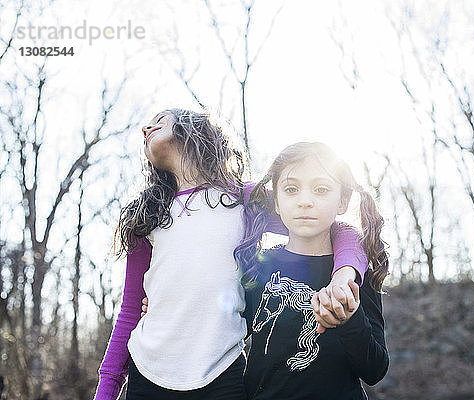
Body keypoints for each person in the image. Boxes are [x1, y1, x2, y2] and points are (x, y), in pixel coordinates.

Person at [94, 109, 369, 400]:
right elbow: (129, 311)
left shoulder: (243, 200)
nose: (146, 127)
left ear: (192, 129)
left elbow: (341, 230)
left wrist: (343, 275)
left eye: (160, 120)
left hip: (222, 374)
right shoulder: (148, 216)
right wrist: (106, 389)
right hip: (147, 373)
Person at [237, 142, 389, 399]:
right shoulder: (258, 267)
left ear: (342, 201)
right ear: (276, 200)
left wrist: (349, 320)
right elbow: (221, 326)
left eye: (320, 189)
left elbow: (374, 370)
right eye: (291, 189)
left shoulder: (356, 275)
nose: (305, 201)